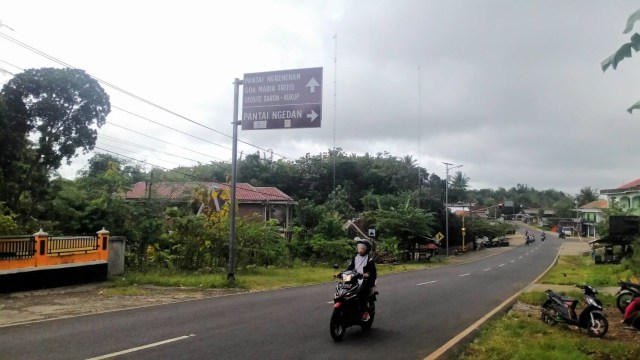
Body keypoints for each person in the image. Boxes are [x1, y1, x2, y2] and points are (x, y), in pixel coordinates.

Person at [344, 237, 377, 321]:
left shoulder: (369, 260)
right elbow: (349, 268)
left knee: (359, 293)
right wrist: (342, 273)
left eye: (362, 248)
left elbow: (373, 273)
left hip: (366, 281)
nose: (360, 250)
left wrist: (367, 275)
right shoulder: (355, 258)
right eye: (359, 247)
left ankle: (364, 313)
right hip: (355, 278)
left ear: (367, 249)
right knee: (345, 290)